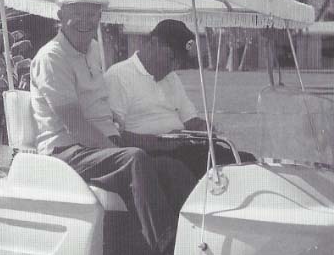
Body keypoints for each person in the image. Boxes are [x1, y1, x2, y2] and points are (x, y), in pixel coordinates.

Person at [30, 0, 195, 255]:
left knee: (170, 166)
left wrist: (117, 143)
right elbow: (75, 125)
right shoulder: (52, 58)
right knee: (134, 159)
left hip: (94, 148)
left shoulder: (93, 49)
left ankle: (197, 239)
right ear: (60, 16)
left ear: (99, 19)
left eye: (92, 15)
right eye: (77, 13)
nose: (85, 21)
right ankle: (166, 250)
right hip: (66, 151)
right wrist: (116, 147)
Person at [105, 19, 255, 178]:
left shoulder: (172, 79)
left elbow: (190, 120)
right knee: (178, 171)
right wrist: (160, 142)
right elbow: (114, 136)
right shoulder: (118, 76)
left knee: (245, 161)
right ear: (154, 43)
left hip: (182, 150)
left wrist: (204, 127)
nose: (174, 67)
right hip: (148, 156)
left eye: (179, 61)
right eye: (171, 58)